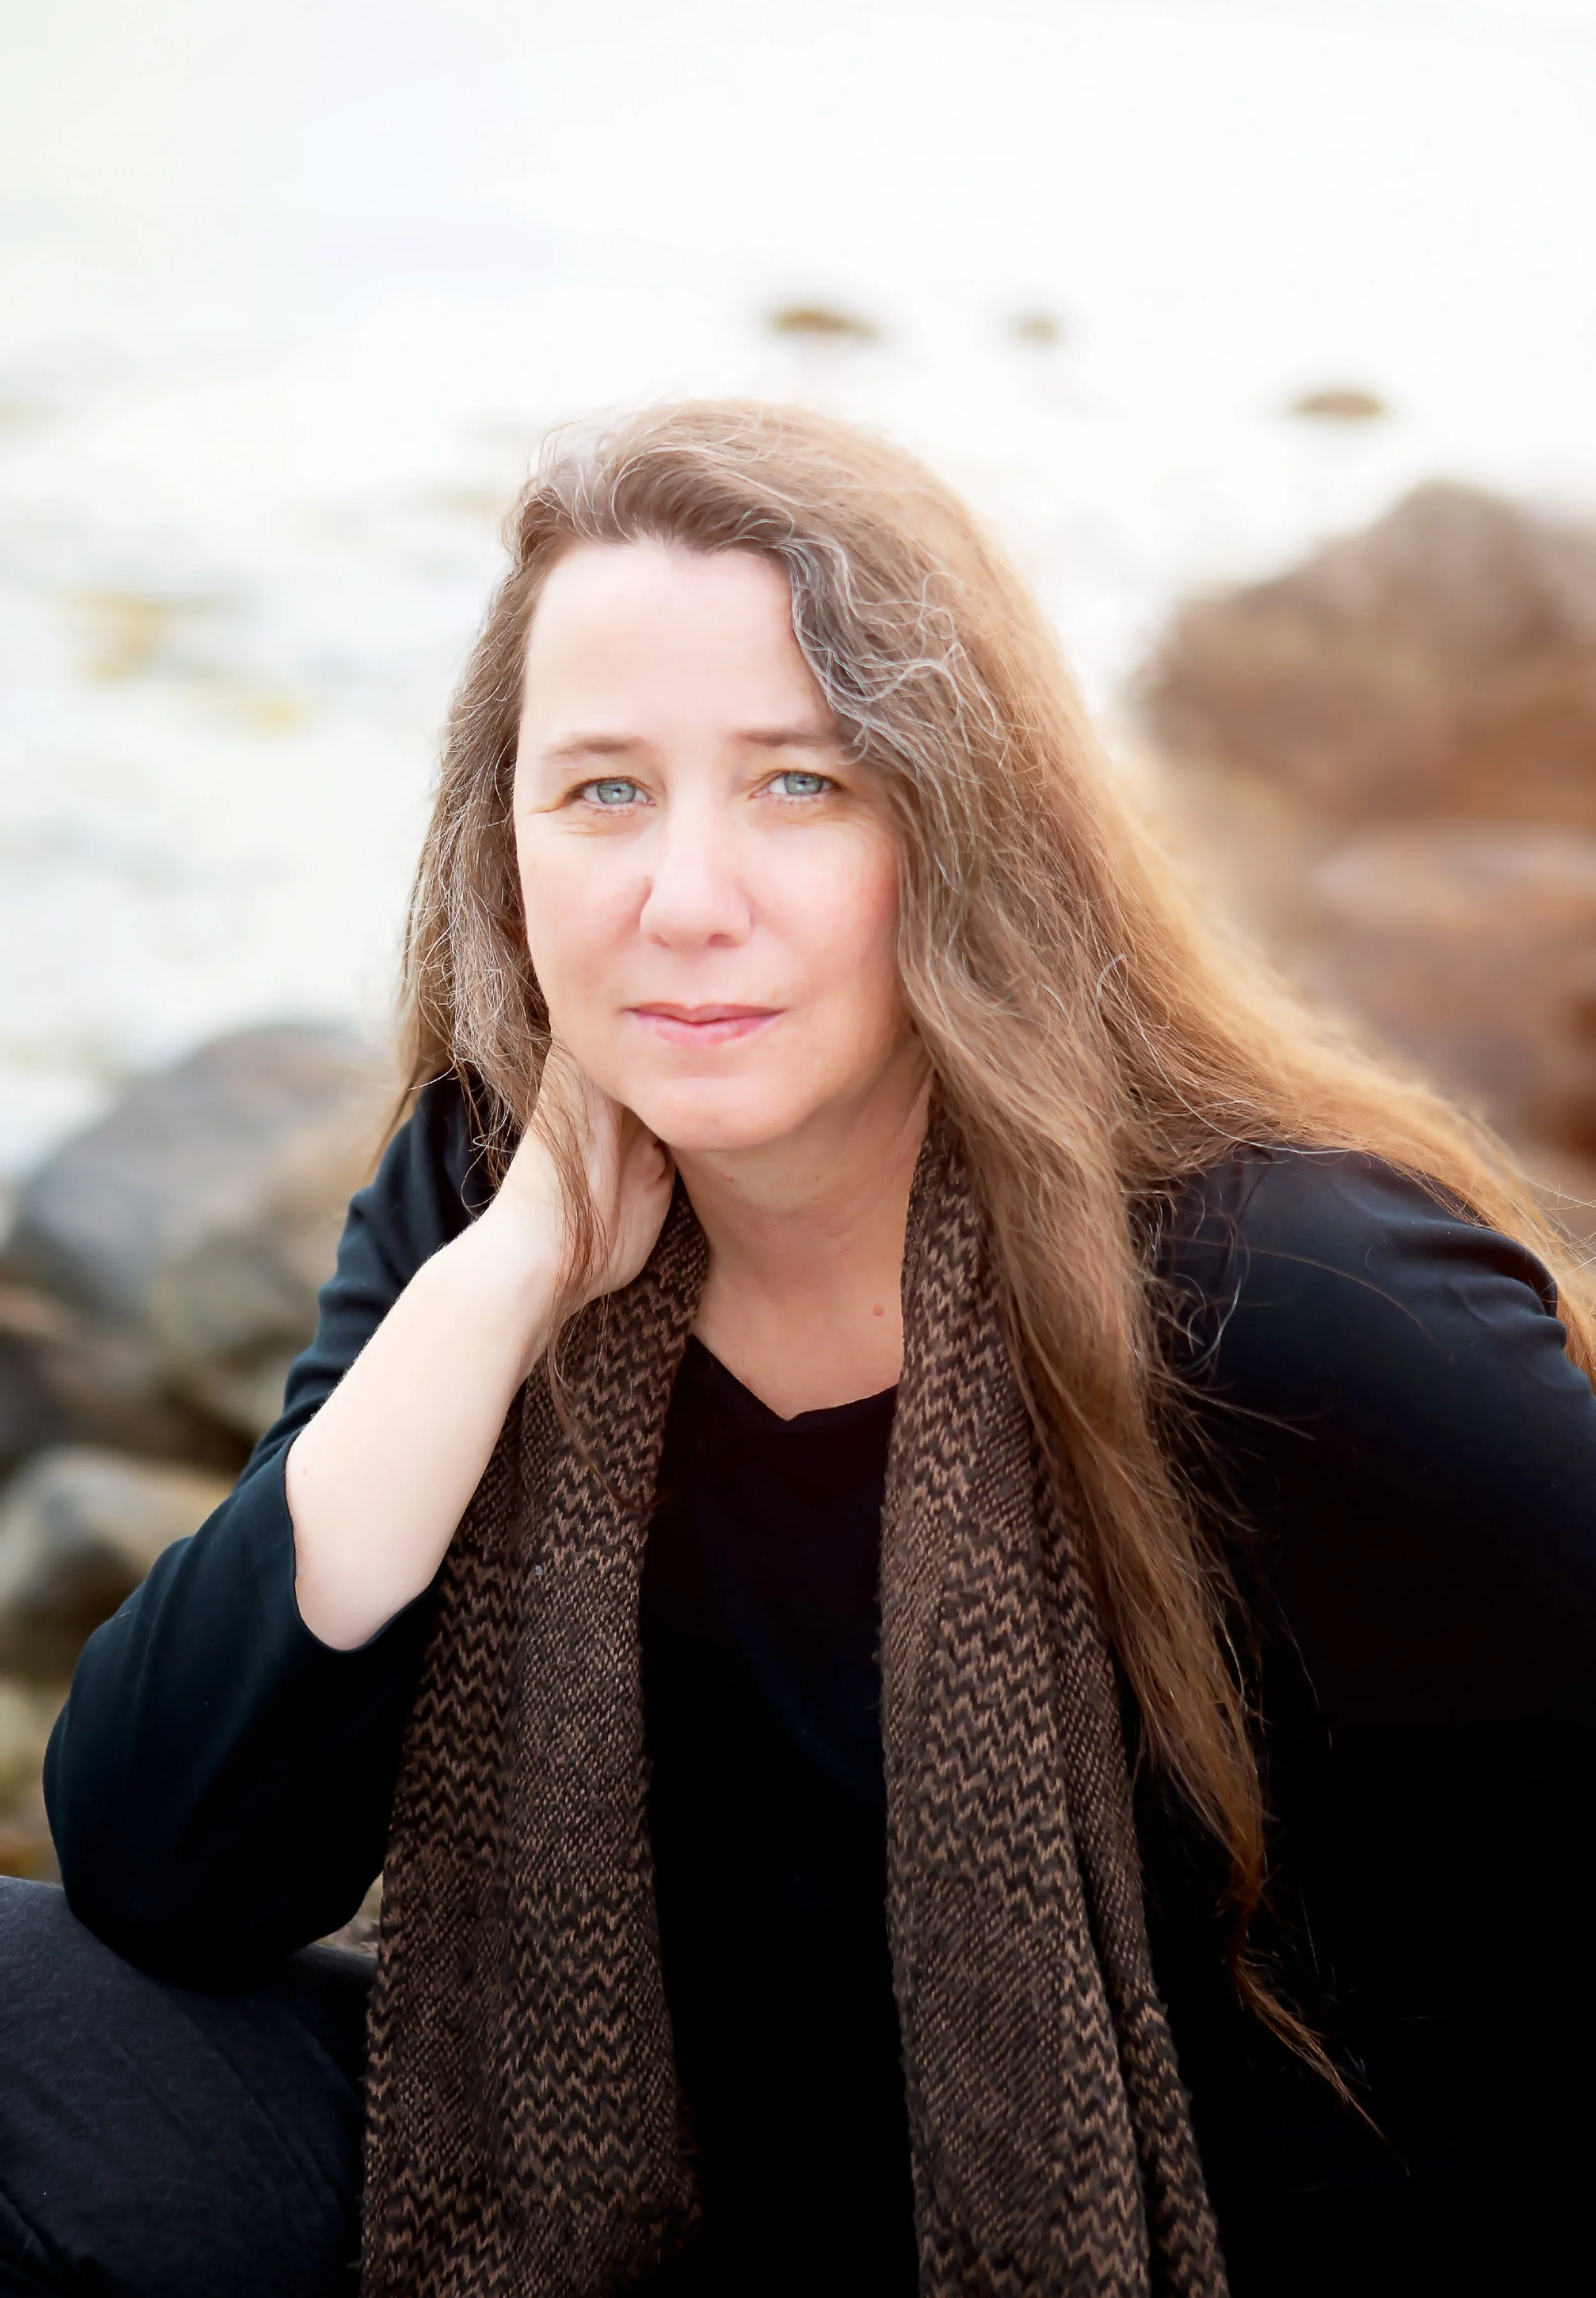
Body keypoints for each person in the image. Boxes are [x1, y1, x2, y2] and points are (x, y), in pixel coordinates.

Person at [1, 401, 1593, 2298]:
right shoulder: (490, 1195)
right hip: (641, 2205)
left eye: (798, 787)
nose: (684, 902)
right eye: (603, 791)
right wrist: (503, 1292)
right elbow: (161, 1860)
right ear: (501, 844)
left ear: (963, 827)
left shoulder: (1297, 1294)